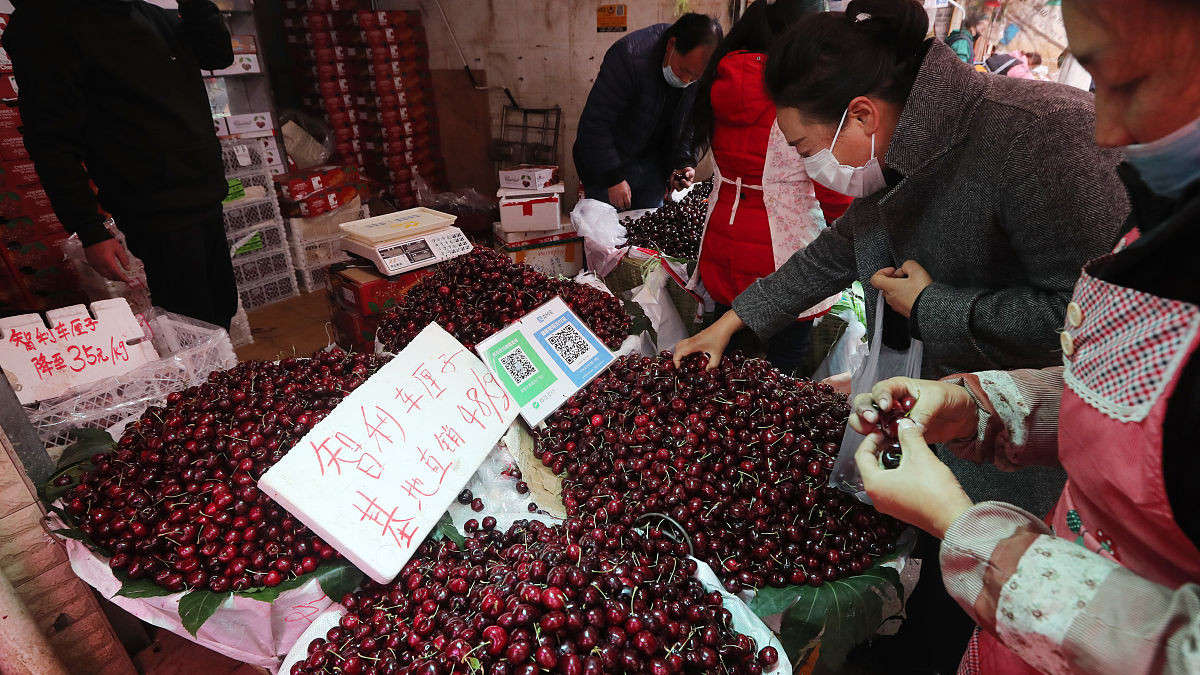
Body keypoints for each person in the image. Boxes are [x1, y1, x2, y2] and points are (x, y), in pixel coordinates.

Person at [673, 0, 1129, 670]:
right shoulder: (901, 152)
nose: (809, 166)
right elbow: (834, 251)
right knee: (927, 611)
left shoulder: (1038, 138)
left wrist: (938, 306)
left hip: (1035, 480)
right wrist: (732, 321)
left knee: (981, 627)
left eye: (804, 148)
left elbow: (1099, 323)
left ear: (861, 114)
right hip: (946, 434)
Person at [851, 0, 1200, 669]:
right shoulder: (1161, 224)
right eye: (1098, 84)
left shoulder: (1026, 135)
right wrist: (978, 406)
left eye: (1131, 83)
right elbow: (1125, 386)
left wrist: (967, 529)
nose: (1105, 132)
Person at [4, 0, 239, 330]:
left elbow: (217, 54)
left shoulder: (150, 15)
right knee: (191, 326)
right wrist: (88, 228)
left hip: (205, 191)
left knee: (221, 308)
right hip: (154, 206)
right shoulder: (47, 22)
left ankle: (222, 377)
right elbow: (50, 141)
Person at [688, 0, 852, 375]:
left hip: (722, 237)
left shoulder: (721, 80)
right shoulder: (796, 91)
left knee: (723, 352)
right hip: (783, 249)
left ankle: (717, 421)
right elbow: (832, 188)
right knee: (784, 367)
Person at [573, 13, 722, 211]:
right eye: (683, 70)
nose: (687, 81)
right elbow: (595, 123)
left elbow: (692, 121)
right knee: (607, 234)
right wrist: (613, 177)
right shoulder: (629, 57)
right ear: (671, 45)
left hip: (653, 169)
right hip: (609, 164)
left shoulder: (701, 73)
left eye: (695, 77)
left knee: (648, 234)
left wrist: (684, 161)